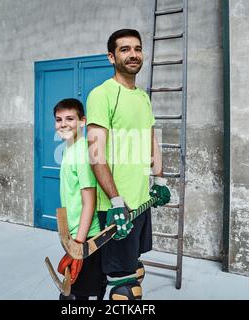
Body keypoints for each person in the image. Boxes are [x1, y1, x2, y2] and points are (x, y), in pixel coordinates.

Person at [86, 29, 171, 300]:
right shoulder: (102, 95)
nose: (133, 54)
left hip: (139, 202)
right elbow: (95, 154)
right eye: (125, 49)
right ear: (112, 57)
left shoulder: (143, 97)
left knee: (134, 269)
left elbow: (151, 142)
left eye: (137, 48)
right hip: (115, 208)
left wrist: (159, 180)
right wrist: (115, 202)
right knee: (125, 290)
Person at [53, 98, 106, 300]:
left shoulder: (82, 153)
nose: (63, 124)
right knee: (72, 293)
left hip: (86, 237)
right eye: (59, 119)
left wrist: (78, 244)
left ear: (82, 121)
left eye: (70, 118)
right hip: (75, 234)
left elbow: (89, 201)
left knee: (79, 296)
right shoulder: (69, 149)